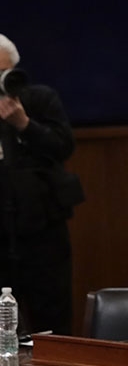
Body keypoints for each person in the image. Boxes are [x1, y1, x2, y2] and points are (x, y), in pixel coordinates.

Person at [0, 34, 83, 335]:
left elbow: (63, 146)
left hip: (42, 229)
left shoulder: (39, 99)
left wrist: (24, 124)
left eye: (4, 73)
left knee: (52, 317)